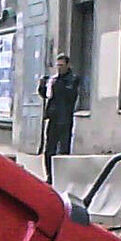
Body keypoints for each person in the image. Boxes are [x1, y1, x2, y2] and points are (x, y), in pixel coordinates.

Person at [37, 53, 80, 184]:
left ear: (67, 65)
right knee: (49, 148)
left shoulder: (72, 79)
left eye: (62, 65)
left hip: (65, 118)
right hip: (53, 118)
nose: (59, 68)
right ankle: (50, 175)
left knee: (63, 149)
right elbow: (47, 95)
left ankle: (62, 177)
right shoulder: (54, 79)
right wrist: (43, 85)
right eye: (58, 65)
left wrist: (56, 84)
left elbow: (69, 95)